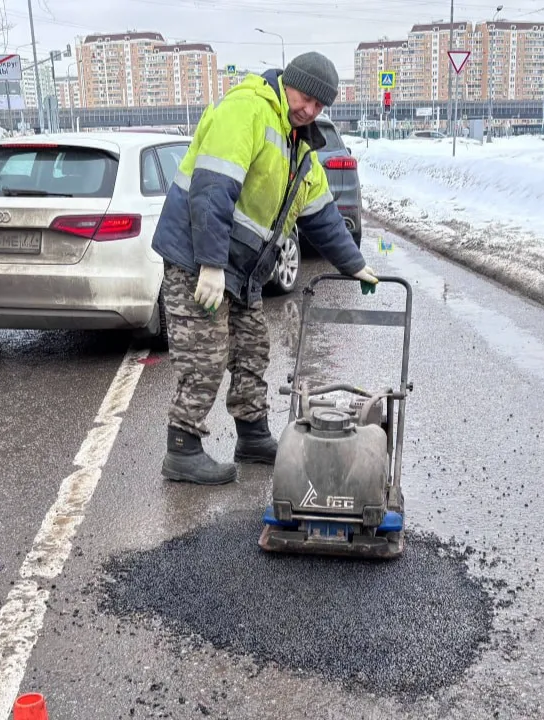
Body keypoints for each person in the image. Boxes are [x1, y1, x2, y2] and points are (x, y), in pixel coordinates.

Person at [151, 52, 378, 486]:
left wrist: (356, 265)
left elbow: (323, 217)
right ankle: (182, 448)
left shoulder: (301, 149)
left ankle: (252, 437)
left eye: (319, 106)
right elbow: (212, 190)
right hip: (197, 257)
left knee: (253, 349)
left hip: (242, 269)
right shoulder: (248, 109)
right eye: (306, 98)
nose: (309, 110)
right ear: (288, 83)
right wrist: (211, 266)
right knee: (206, 354)